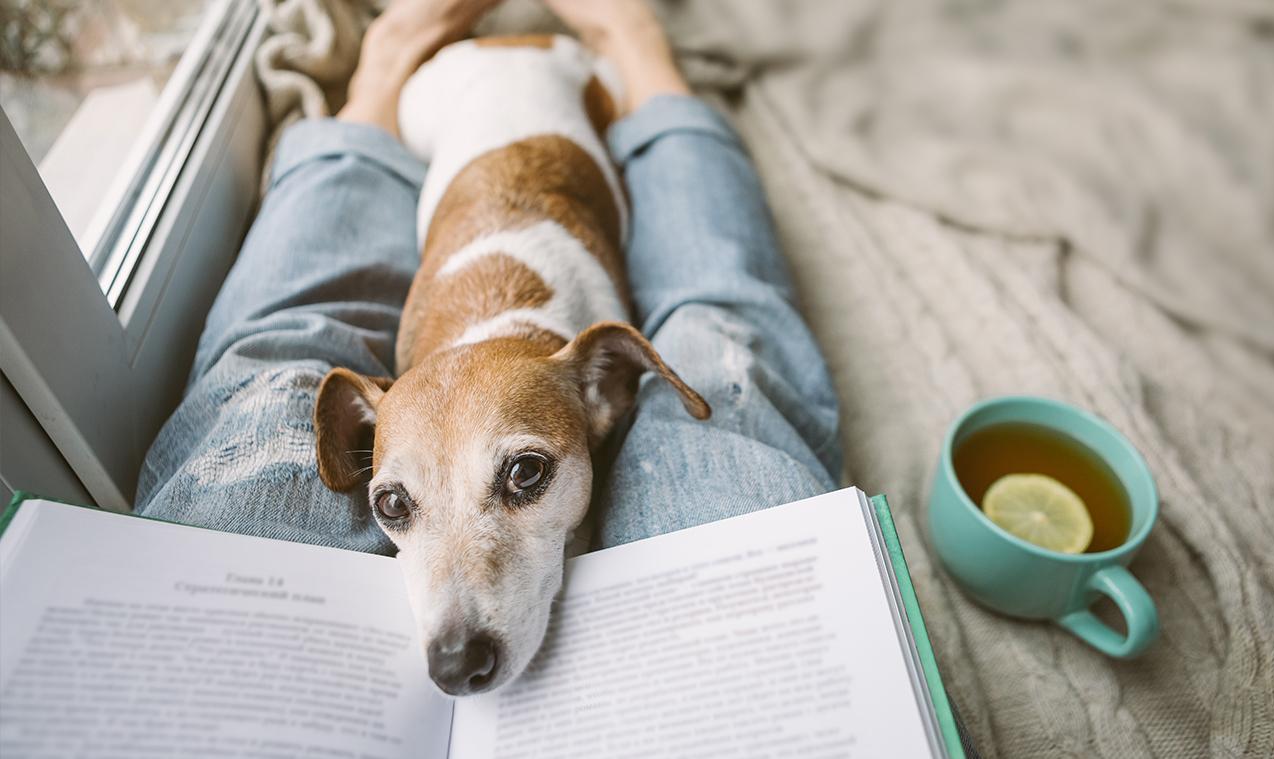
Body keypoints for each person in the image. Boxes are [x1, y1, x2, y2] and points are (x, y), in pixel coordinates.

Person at [135, 0, 841, 558]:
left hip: (570, 82)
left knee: (279, 354)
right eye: (395, 505)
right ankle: (626, 58)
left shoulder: (587, 378)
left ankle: (621, 42)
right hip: (459, 99)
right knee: (720, 322)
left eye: (524, 474)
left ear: (607, 385)